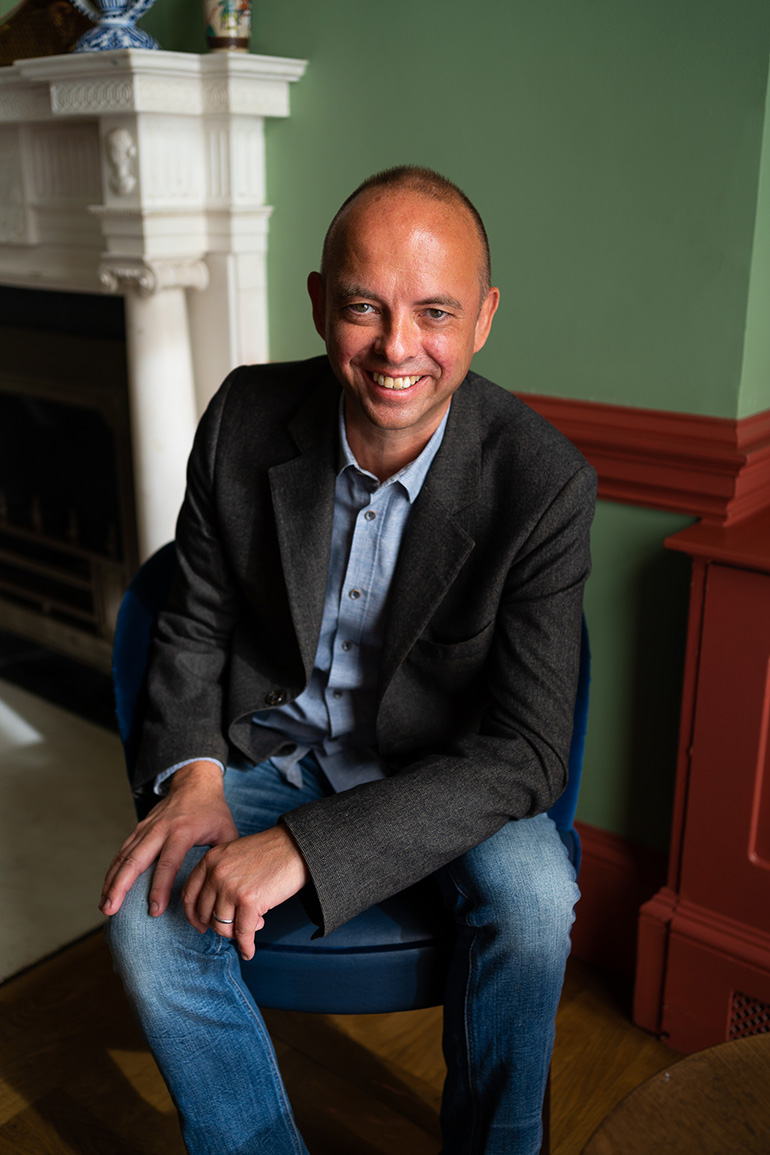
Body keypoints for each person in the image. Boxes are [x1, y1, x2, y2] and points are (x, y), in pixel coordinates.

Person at [101, 165, 596, 1155]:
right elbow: (190, 624)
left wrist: (305, 851)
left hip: (445, 777)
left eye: (435, 312)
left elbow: (524, 755)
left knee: (537, 903)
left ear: (484, 317)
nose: (397, 348)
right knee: (142, 921)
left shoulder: (541, 482)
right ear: (321, 303)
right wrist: (194, 777)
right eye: (364, 307)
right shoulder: (242, 418)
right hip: (268, 758)